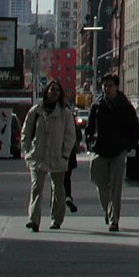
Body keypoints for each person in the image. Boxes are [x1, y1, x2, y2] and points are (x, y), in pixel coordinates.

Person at [21, 81, 77, 232]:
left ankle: (56, 219)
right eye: (52, 89)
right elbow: (26, 132)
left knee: (58, 188)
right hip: (38, 155)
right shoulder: (36, 111)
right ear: (47, 91)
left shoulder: (65, 113)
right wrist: (27, 152)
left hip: (57, 156)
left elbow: (70, 136)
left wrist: (65, 154)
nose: (55, 92)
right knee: (36, 187)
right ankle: (33, 219)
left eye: (58, 90)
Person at [87, 73, 139, 232]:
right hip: (100, 148)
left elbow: (134, 128)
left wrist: (128, 145)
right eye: (105, 86)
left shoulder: (125, 106)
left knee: (116, 187)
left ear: (116, 87)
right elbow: (90, 127)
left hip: (118, 149)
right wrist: (91, 141)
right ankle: (108, 209)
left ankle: (114, 220)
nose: (107, 89)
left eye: (110, 85)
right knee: (98, 179)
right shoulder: (97, 106)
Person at [59, 82, 81, 213]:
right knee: (66, 177)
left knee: (57, 179)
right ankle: (67, 196)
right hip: (69, 152)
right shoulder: (69, 114)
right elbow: (76, 133)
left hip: (57, 151)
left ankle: (59, 201)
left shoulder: (54, 113)